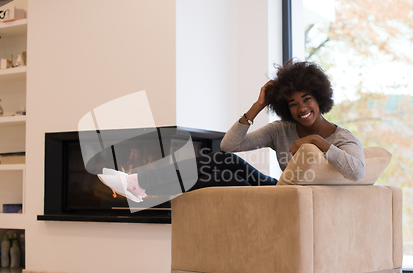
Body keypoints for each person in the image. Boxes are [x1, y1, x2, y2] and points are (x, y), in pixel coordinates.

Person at [97, 59, 365, 202]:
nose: (301, 108)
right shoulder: (281, 130)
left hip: (301, 202)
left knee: (219, 176)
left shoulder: (342, 138)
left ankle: (141, 187)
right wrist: (257, 106)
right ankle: (138, 184)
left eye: (307, 99)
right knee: (222, 162)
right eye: (292, 104)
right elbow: (229, 146)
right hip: (280, 192)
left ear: (319, 98)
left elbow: (357, 171)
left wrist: (317, 142)